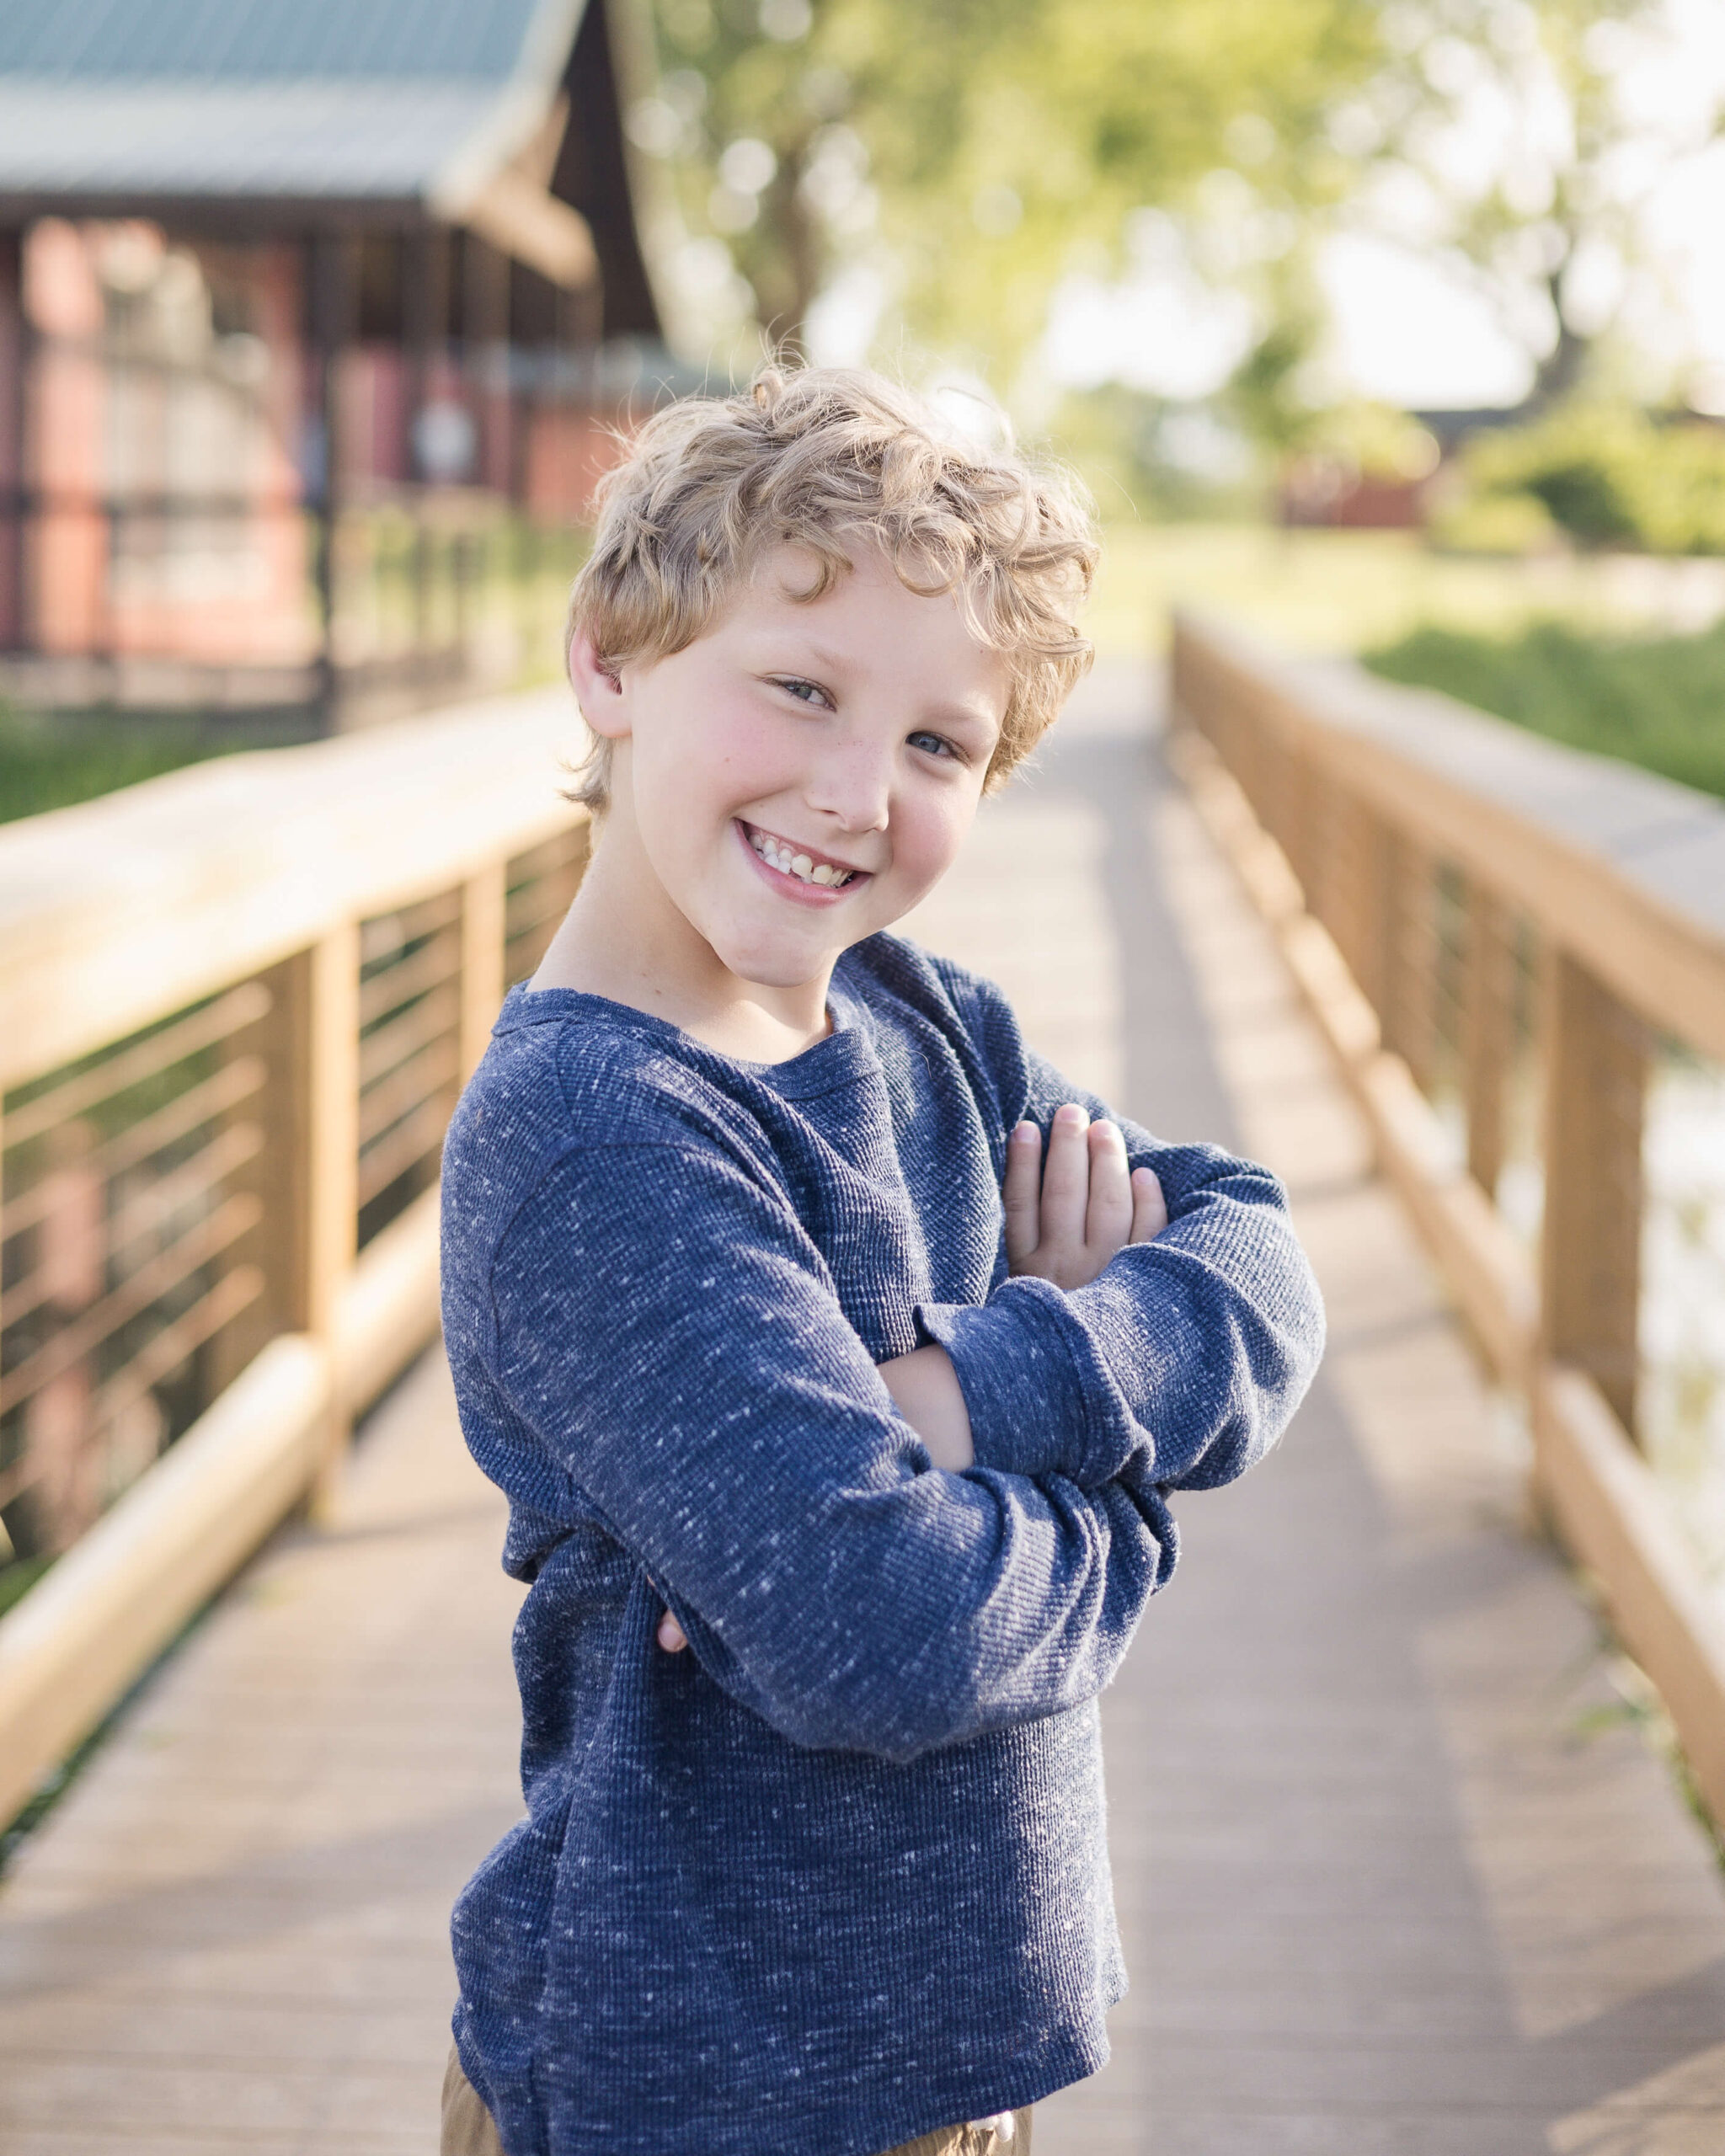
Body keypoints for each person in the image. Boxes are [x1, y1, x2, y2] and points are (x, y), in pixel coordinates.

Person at [437, 365, 1324, 2156]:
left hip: (938, 2065)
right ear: (611, 655)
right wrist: (1125, 1492)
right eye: (797, 687)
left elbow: (1260, 1258)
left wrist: (979, 1383)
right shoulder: (596, 1136)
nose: (855, 791)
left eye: (936, 745)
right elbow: (877, 1633)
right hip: (692, 2072)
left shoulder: (926, 1021)